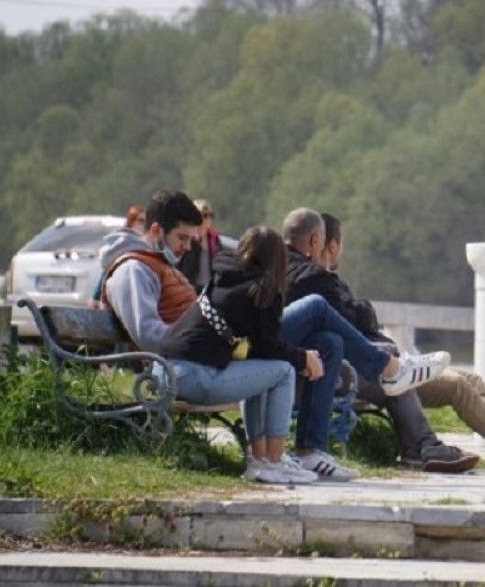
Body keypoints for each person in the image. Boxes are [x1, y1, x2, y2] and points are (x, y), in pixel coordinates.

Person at [100, 190, 450, 481]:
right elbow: (151, 336)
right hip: (194, 360)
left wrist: (216, 332)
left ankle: (311, 451)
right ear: (157, 230)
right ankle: (389, 369)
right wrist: (212, 334)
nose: (189, 248)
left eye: (192, 239)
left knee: (329, 343)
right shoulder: (134, 268)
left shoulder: (164, 265)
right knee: (314, 308)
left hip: (215, 349)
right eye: (182, 239)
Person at [285, 211, 485, 474]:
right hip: (361, 373)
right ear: (326, 243)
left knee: (471, 378)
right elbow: (348, 333)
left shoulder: (317, 280)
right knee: (458, 385)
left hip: (370, 367)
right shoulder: (316, 281)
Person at [157, 226, 318, 484]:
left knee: (266, 369)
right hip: (194, 375)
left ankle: (259, 461)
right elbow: (269, 346)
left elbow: (262, 350)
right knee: (284, 371)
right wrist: (303, 358)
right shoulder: (262, 288)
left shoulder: (225, 276)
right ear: (278, 260)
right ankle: (273, 463)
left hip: (163, 371)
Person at [87, 204, 146, 309]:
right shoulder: (123, 243)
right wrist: (95, 297)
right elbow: (107, 268)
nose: (144, 225)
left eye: (147, 221)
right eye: (141, 220)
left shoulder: (147, 244)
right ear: (131, 222)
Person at [179, 199, 223, 292]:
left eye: (210, 215)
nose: (208, 219)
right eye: (204, 215)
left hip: (209, 289)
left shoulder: (214, 239)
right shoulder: (187, 237)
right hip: (189, 288)